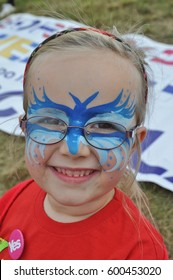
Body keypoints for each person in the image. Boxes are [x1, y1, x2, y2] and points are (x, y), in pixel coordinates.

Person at [0, 26, 169, 260]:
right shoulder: (13, 200)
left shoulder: (140, 253)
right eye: (50, 120)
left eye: (104, 126)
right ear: (25, 128)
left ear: (132, 143)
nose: (74, 148)